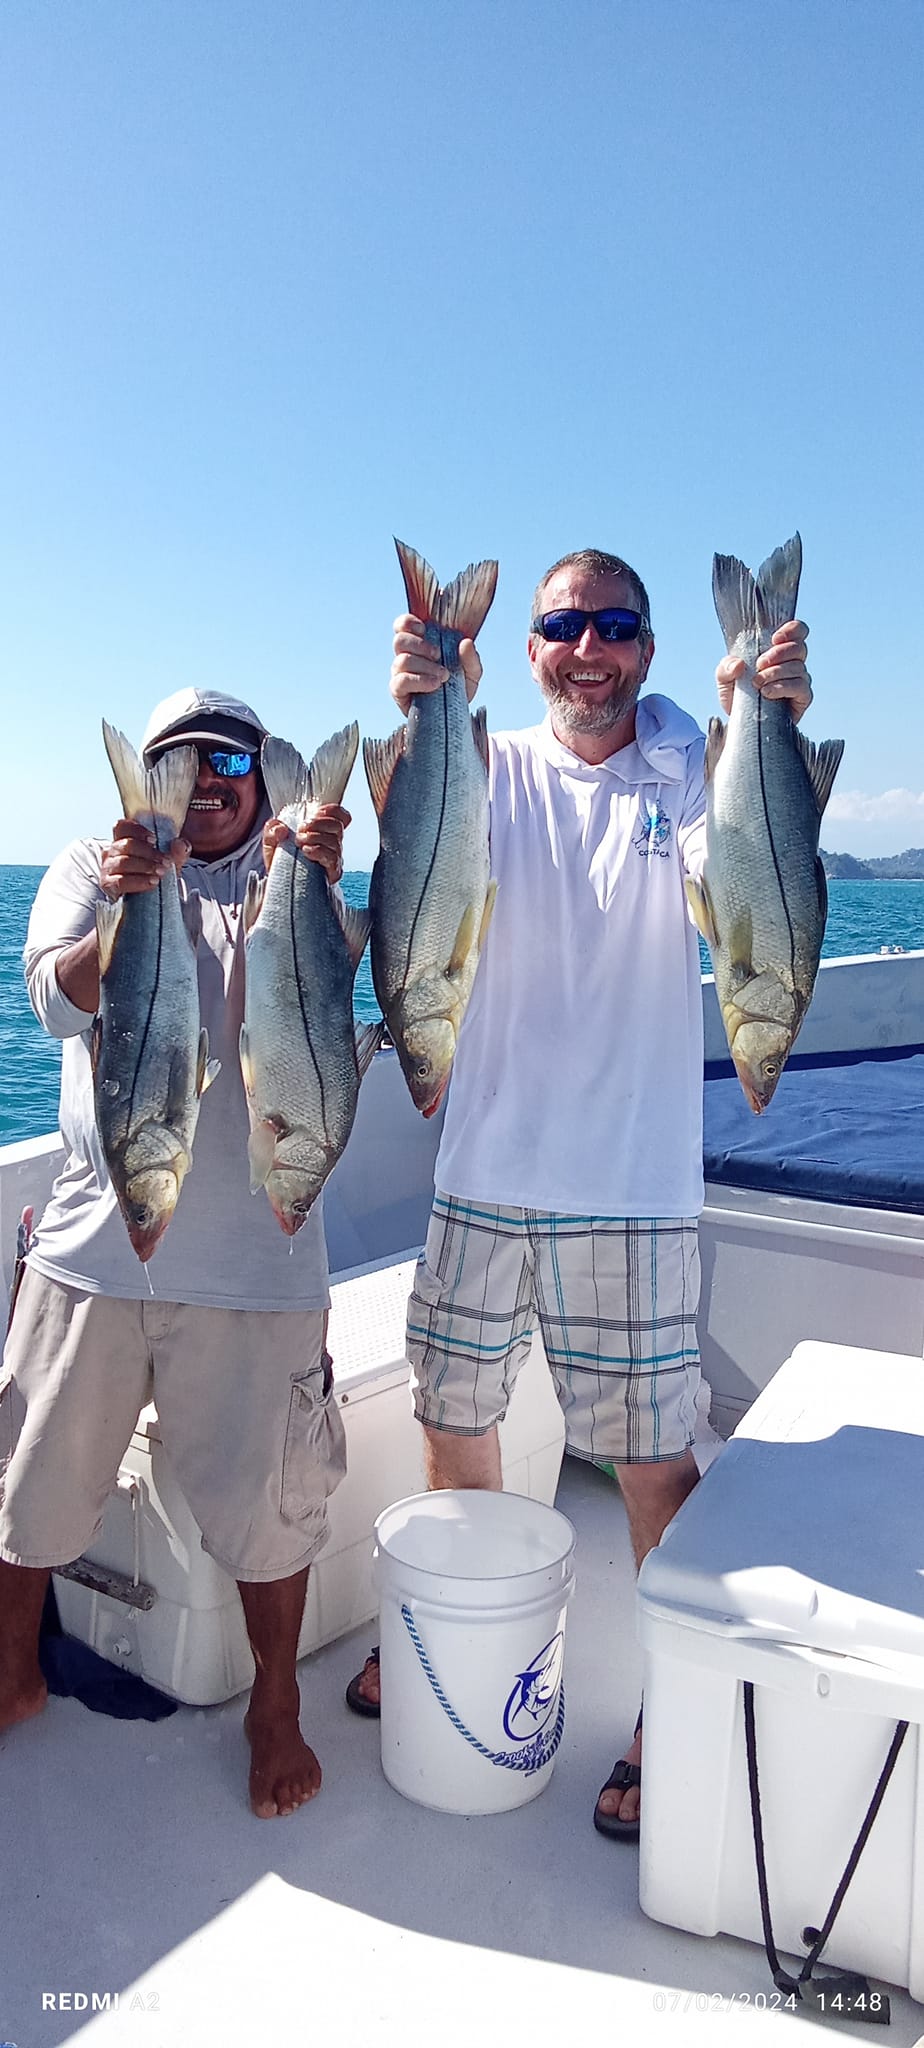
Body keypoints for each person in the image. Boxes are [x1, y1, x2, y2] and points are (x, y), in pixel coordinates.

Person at [347, 549, 812, 1839]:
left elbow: (750, 894)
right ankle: (457, 1625)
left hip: (630, 1184)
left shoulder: (687, 768)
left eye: (612, 628)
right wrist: (424, 700)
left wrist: (764, 713)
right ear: (534, 648)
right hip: (482, 1169)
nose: (587, 650)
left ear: (649, 651)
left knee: (655, 1457)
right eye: (562, 628)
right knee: (456, 1420)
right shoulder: (490, 775)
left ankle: (673, 1701)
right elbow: (424, 860)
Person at [0, 688, 350, 1819]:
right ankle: (10, 1671)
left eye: (228, 761)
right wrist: (121, 903)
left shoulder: (294, 872)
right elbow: (52, 1003)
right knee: (30, 1482)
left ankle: (275, 1705)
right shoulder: (89, 868)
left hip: (257, 1268)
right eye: (176, 761)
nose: (204, 778)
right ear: (144, 778)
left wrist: (321, 872)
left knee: (272, 1507)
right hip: (96, 1252)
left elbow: (370, 972)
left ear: (261, 773)